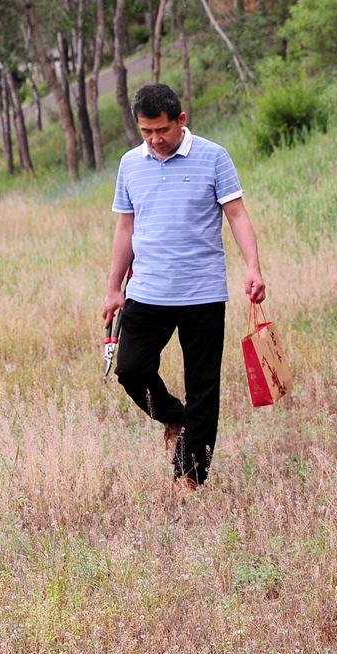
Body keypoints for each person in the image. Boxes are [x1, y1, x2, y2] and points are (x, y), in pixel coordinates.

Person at [102, 84, 265, 504]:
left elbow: (237, 215)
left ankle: (189, 478)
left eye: (161, 130)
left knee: (204, 387)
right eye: (145, 131)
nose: (154, 139)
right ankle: (175, 418)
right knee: (131, 369)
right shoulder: (130, 164)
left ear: (181, 121)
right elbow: (125, 229)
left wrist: (252, 267)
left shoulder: (214, 157)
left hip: (202, 294)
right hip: (147, 292)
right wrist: (112, 288)